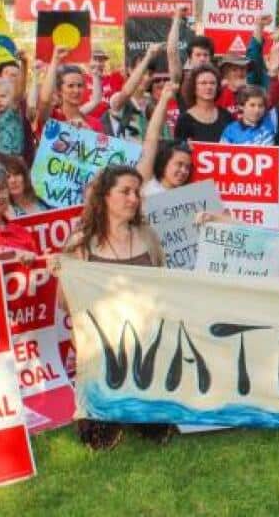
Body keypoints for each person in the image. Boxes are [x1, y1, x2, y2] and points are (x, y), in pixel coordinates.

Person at [62, 165, 171, 450]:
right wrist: (61, 275)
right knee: (97, 438)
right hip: (103, 347)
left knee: (158, 428)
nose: (133, 198)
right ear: (105, 197)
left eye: (137, 192)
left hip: (146, 343)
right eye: (125, 191)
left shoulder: (149, 236)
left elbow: (166, 287)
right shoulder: (82, 244)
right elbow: (66, 305)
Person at [37, 48, 103, 133]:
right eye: (70, 86)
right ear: (59, 90)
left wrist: (89, 134)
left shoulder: (94, 124)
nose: (76, 90)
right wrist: (55, 60)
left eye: (80, 86)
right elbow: (45, 101)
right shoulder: (52, 118)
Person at [174, 64, 232, 143]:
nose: (209, 87)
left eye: (212, 83)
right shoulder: (184, 120)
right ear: (194, 87)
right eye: (203, 83)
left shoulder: (227, 116)